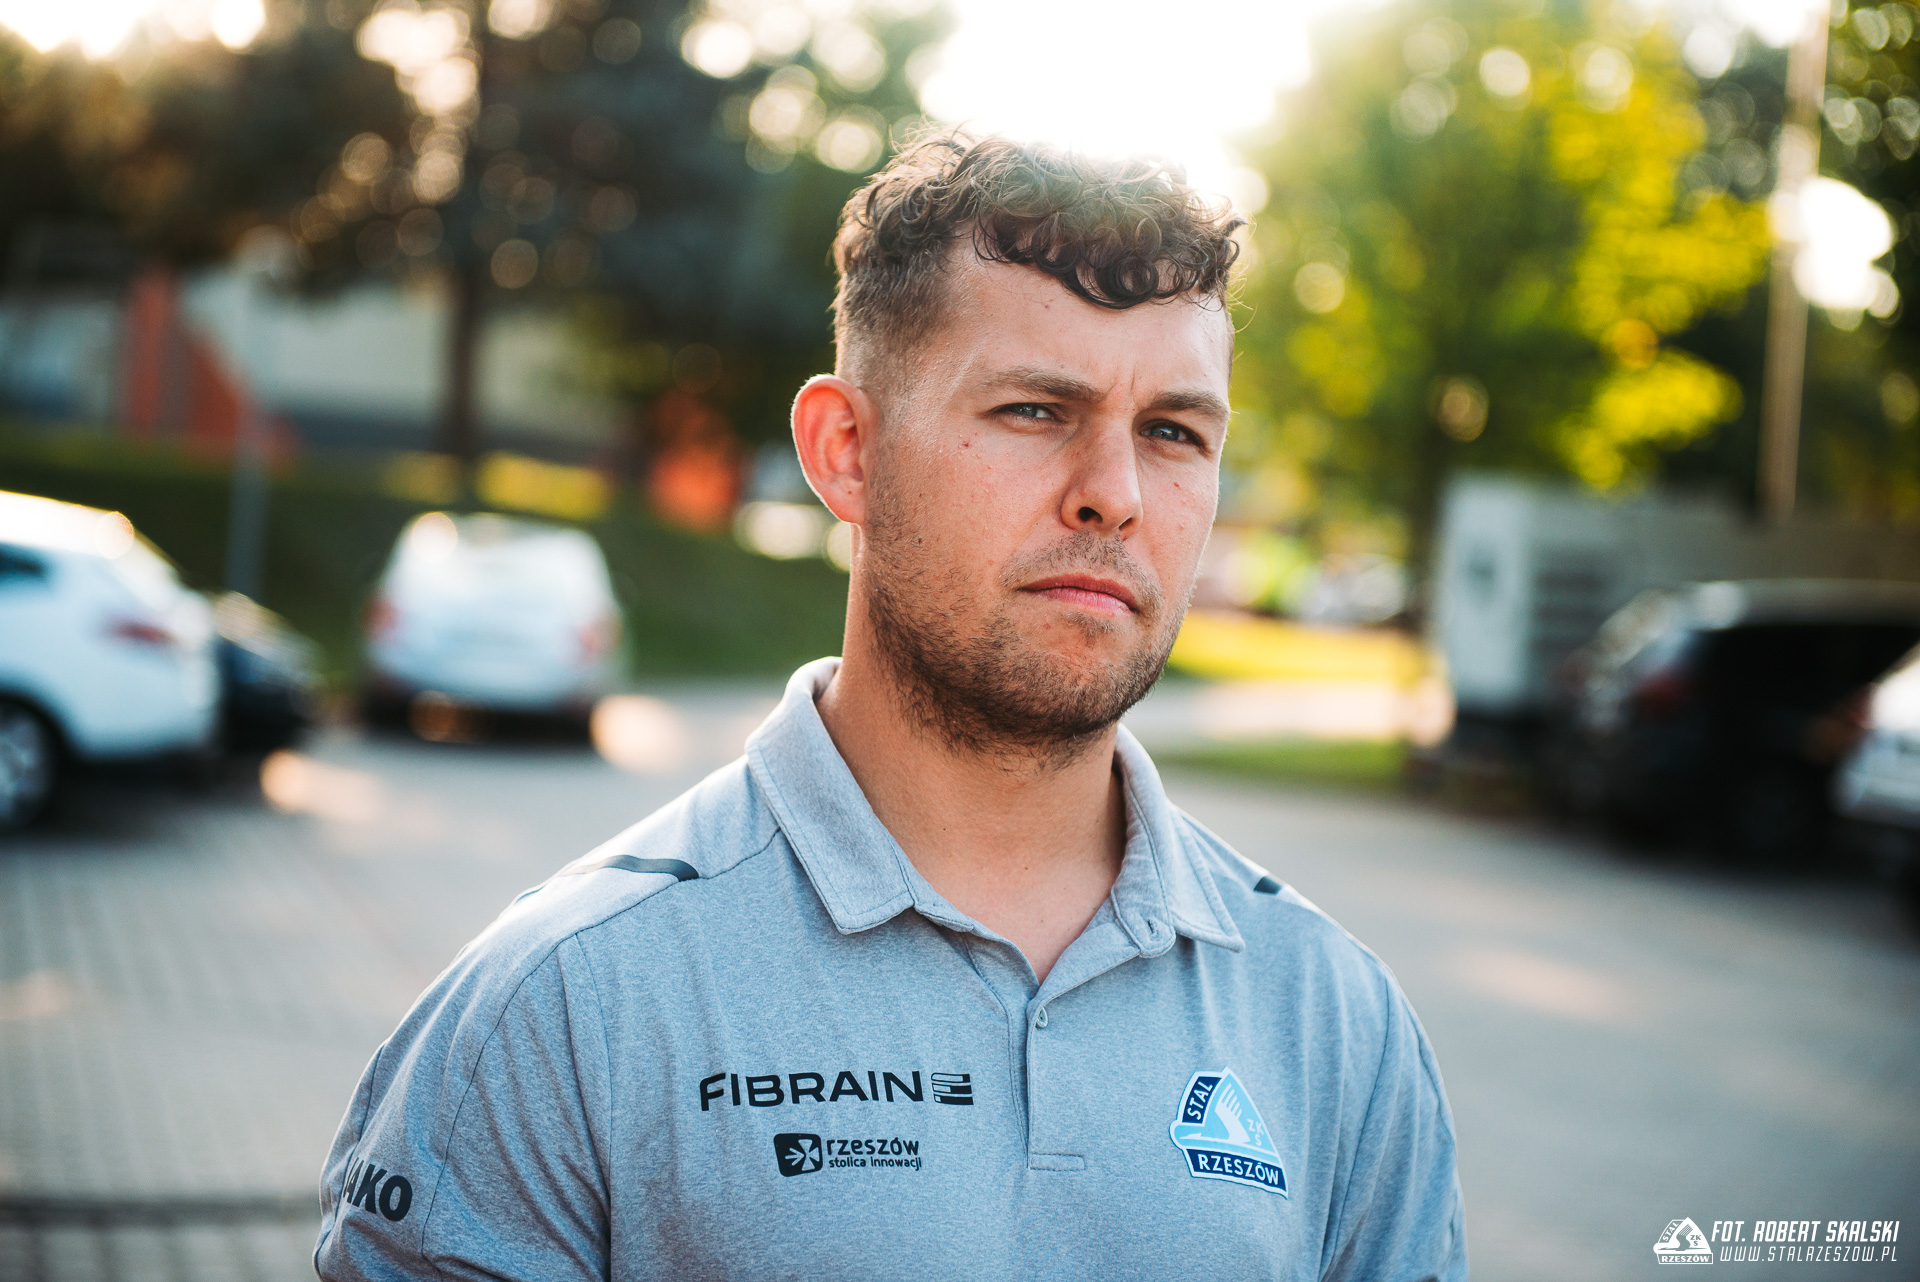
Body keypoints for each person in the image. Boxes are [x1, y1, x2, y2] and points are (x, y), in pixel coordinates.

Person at [314, 133, 1467, 1281]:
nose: (1115, 494)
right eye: (1035, 410)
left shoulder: (1336, 1019)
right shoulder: (562, 1005)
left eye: (1173, 431)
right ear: (847, 450)